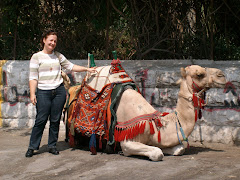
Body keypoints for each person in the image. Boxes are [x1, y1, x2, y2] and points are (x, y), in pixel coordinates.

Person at [25, 30, 96, 157]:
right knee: (41, 120)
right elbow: (33, 77)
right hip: (43, 92)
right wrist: (32, 94)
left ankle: (52, 145)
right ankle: (32, 147)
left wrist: (87, 69)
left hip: (59, 92)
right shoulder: (36, 57)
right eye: (50, 40)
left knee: (55, 120)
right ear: (44, 40)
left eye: (55, 41)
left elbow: (70, 66)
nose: (53, 43)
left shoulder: (58, 56)